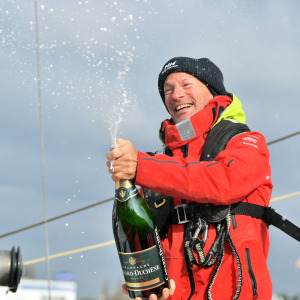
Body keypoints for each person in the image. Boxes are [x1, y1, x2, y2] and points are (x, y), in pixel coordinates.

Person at [106, 57, 273, 300]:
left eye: (186, 84)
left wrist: (141, 166)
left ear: (212, 91)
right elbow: (145, 244)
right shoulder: (154, 170)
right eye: (168, 90)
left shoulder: (246, 142)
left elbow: (224, 181)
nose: (176, 95)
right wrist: (148, 286)